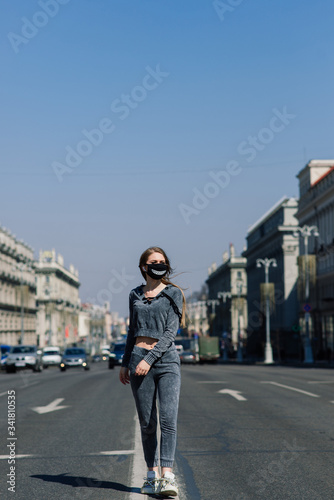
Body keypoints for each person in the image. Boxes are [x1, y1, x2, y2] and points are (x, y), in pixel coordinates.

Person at [119, 246, 186, 497]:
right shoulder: (134, 294)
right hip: (137, 359)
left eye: (162, 261)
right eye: (154, 261)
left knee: (168, 420)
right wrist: (126, 362)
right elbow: (131, 330)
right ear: (143, 267)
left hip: (166, 361)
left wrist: (150, 358)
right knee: (147, 423)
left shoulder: (173, 294)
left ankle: (167, 476)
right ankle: (150, 476)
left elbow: (171, 333)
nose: (159, 264)